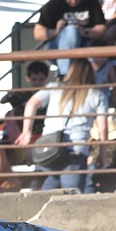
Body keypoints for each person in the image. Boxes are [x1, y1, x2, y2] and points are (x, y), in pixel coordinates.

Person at [16, 61, 108, 192]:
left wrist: (27, 131)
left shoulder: (54, 88)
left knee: (52, 182)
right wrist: (103, 155)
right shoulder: (96, 95)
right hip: (76, 148)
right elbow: (102, 129)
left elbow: (31, 104)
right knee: (72, 194)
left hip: (50, 147)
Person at [34, 0, 106, 78]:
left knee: (95, 46)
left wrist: (85, 32)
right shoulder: (54, 4)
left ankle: (76, 77)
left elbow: (102, 29)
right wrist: (56, 31)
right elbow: (38, 33)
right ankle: (66, 76)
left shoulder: (91, 3)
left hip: (84, 44)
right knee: (71, 31)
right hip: (56, 47)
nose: (73, 1)